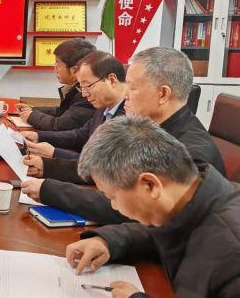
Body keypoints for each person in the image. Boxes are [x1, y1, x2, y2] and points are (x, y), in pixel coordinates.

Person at [64, 117, 240, 298]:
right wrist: (109, 242)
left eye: (112, 197)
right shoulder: (193, 197)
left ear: (151, 185)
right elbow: (170, 230)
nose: (114, 206)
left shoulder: (232, 250)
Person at [22, 47, 226, 225]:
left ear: (163, 94)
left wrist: (51, 190)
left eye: (132, 87)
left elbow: (132, 209)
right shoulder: (151, 129)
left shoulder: (191, 155)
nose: (125, 94)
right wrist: (48, 167)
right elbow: (110, 169)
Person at [21, 51, 127, 184]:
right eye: (82, 88)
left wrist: (54, 153)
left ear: (111, 80)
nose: (84, 94)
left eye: (87, 86)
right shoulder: (104, 106)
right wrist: (39, 136)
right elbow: (81, 135)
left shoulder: (130, 117)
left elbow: (102, 166)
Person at [15, 38, 96, 131]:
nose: (55, 70)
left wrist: (31, 116)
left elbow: (60, 125)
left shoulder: (86, 94)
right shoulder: (75, 88)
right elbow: (62, 112)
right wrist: (32, 110)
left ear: (74, 70)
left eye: (58, 65)